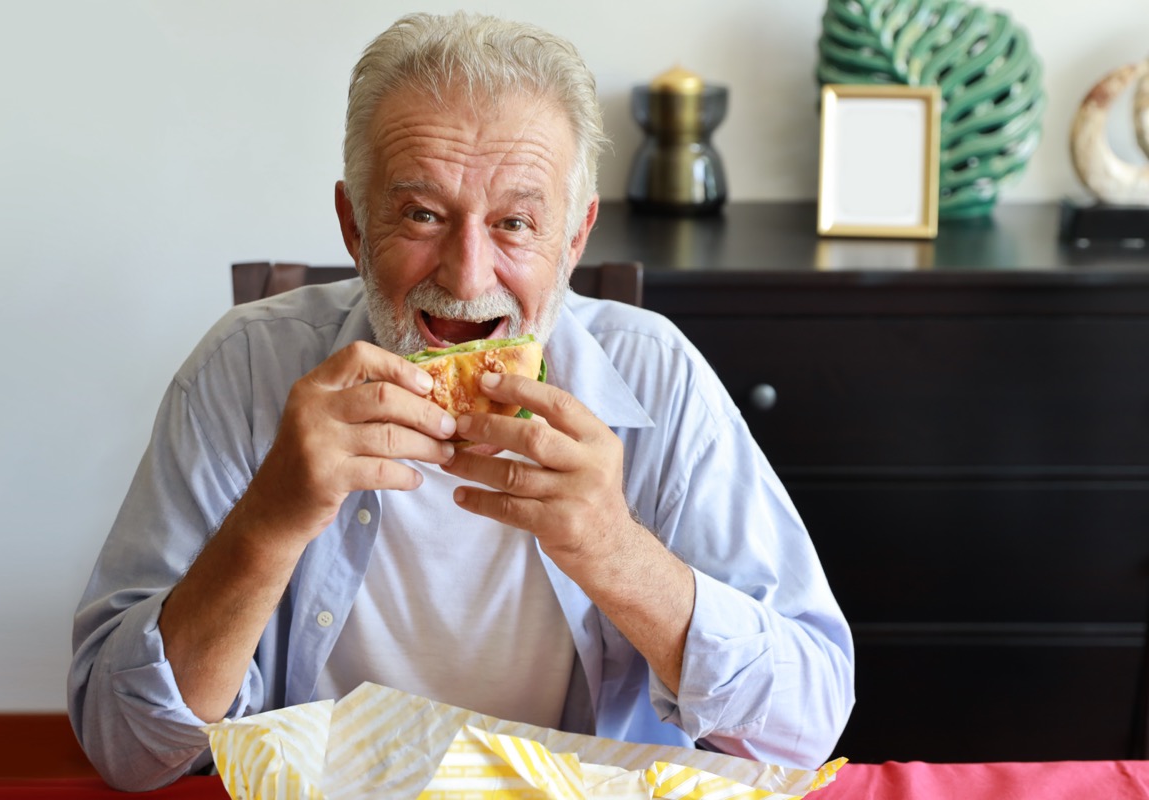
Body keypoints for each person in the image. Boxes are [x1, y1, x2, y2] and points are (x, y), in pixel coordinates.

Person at [68, 11, 854, 792]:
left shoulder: (658, 378)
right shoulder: (242, 372)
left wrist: (618, 554)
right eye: (421, 214)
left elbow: (808, 724)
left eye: (515, 223)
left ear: (575, 239)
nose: (468, 277)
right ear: (353, 223)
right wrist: (273, 516)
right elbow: (127, 747)